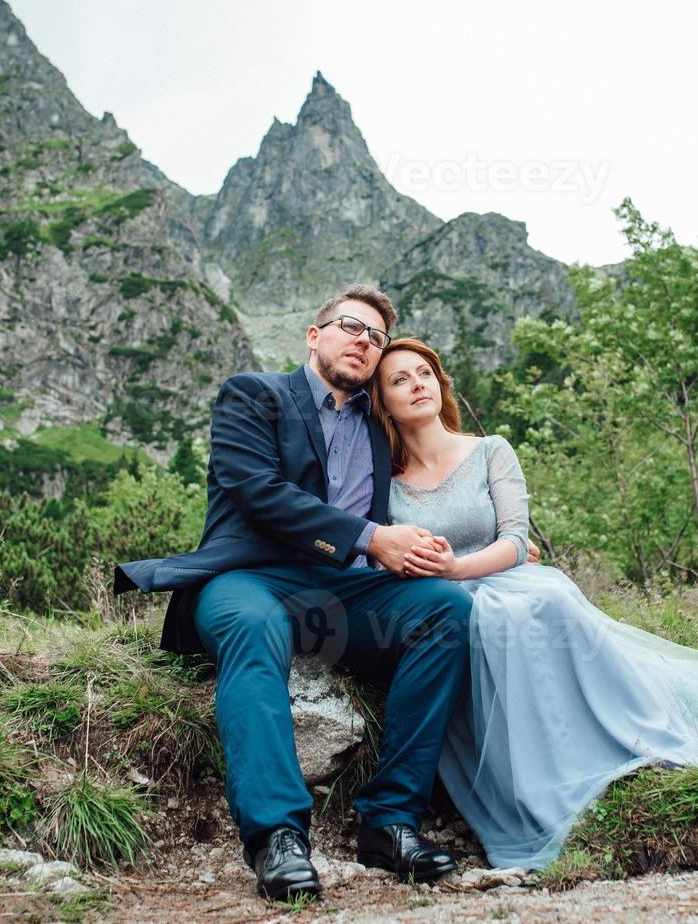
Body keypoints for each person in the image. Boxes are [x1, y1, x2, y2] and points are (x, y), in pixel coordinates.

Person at [369, 337, 698, 870]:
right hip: (442, 598)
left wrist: (459, 566)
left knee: (548, 604)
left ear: (440, 382)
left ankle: (636, 740)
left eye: (423, 373)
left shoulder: (490, 449)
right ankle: (539, 785)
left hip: (501, 575)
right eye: (399, 381)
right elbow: (380, 549)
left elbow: (517, 540)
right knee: (476, 624)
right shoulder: (385, 480)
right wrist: (428, 570)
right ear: (383, 402)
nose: (416, 386)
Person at [115, 287, 469, 901]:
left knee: (446, 611)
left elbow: (438, 478)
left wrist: (500, 543)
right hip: (247, 578)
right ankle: (278, 836)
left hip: (344, 593)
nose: (366, 342)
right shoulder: (254, 395)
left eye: (377, 337)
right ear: (315, 333)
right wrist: (370, 537)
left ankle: (390, 820)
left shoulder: (380, 424)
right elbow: (257, 492)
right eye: (352, 327)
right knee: (254, 629)